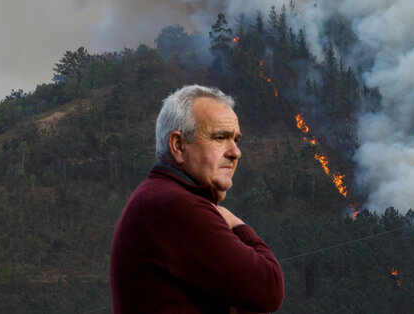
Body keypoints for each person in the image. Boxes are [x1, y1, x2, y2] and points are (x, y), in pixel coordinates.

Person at [110, 85, 284, 313]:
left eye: (236, 140)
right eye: (220, 137)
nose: (235, 152)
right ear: (178, 146)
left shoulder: (157, 197)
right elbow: (268, 288)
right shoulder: (175, 206)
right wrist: (238, 225)